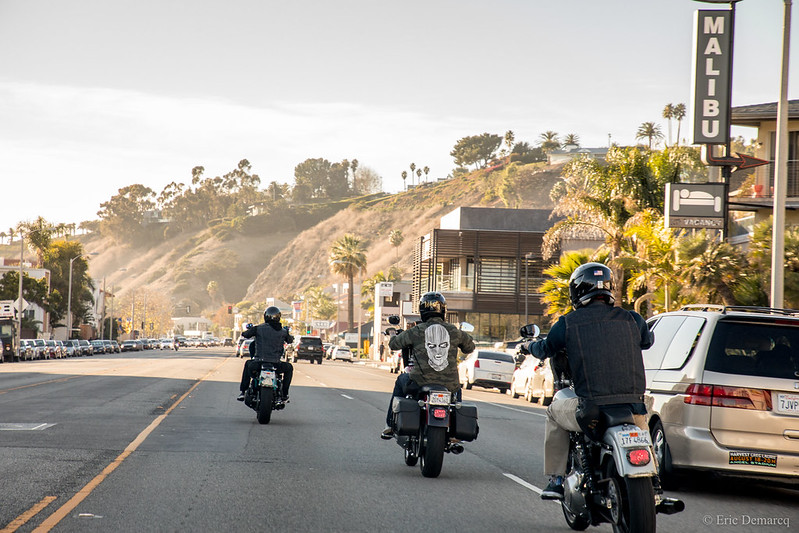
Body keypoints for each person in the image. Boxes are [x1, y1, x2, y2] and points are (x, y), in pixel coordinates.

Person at [524, 262, 653, 500]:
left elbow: (545, 349)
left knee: (553, 411)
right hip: (634, 408)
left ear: (577, 290)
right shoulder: (633, 319)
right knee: (643, 435)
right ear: (609, 288)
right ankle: (653, 485)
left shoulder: (568, 322)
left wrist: (528, 345)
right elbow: (647, 342)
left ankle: (557, 478)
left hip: (592, 409)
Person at [380, 292, 475, 439]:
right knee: (457, 390)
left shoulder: (417, 330)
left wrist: (392, 333)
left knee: (401, 380)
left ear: (422, 311)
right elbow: (470, 347)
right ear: (443, 310)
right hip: (449, 384)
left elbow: (394, 344)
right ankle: (455, 430)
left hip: (420, 381)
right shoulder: (454, 331)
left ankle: (390, 424)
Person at [237, 306, 294, 402]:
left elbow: (245, 334)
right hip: (276, 364)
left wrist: (248, 331)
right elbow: (290, 340)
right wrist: (288, 335)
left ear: (266, 316)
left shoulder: (258, 328)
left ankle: (243, 391)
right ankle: (284, 393)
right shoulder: (283, 331)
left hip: (259, 363)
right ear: (278, 317)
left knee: (248, 364)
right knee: (289, 368)